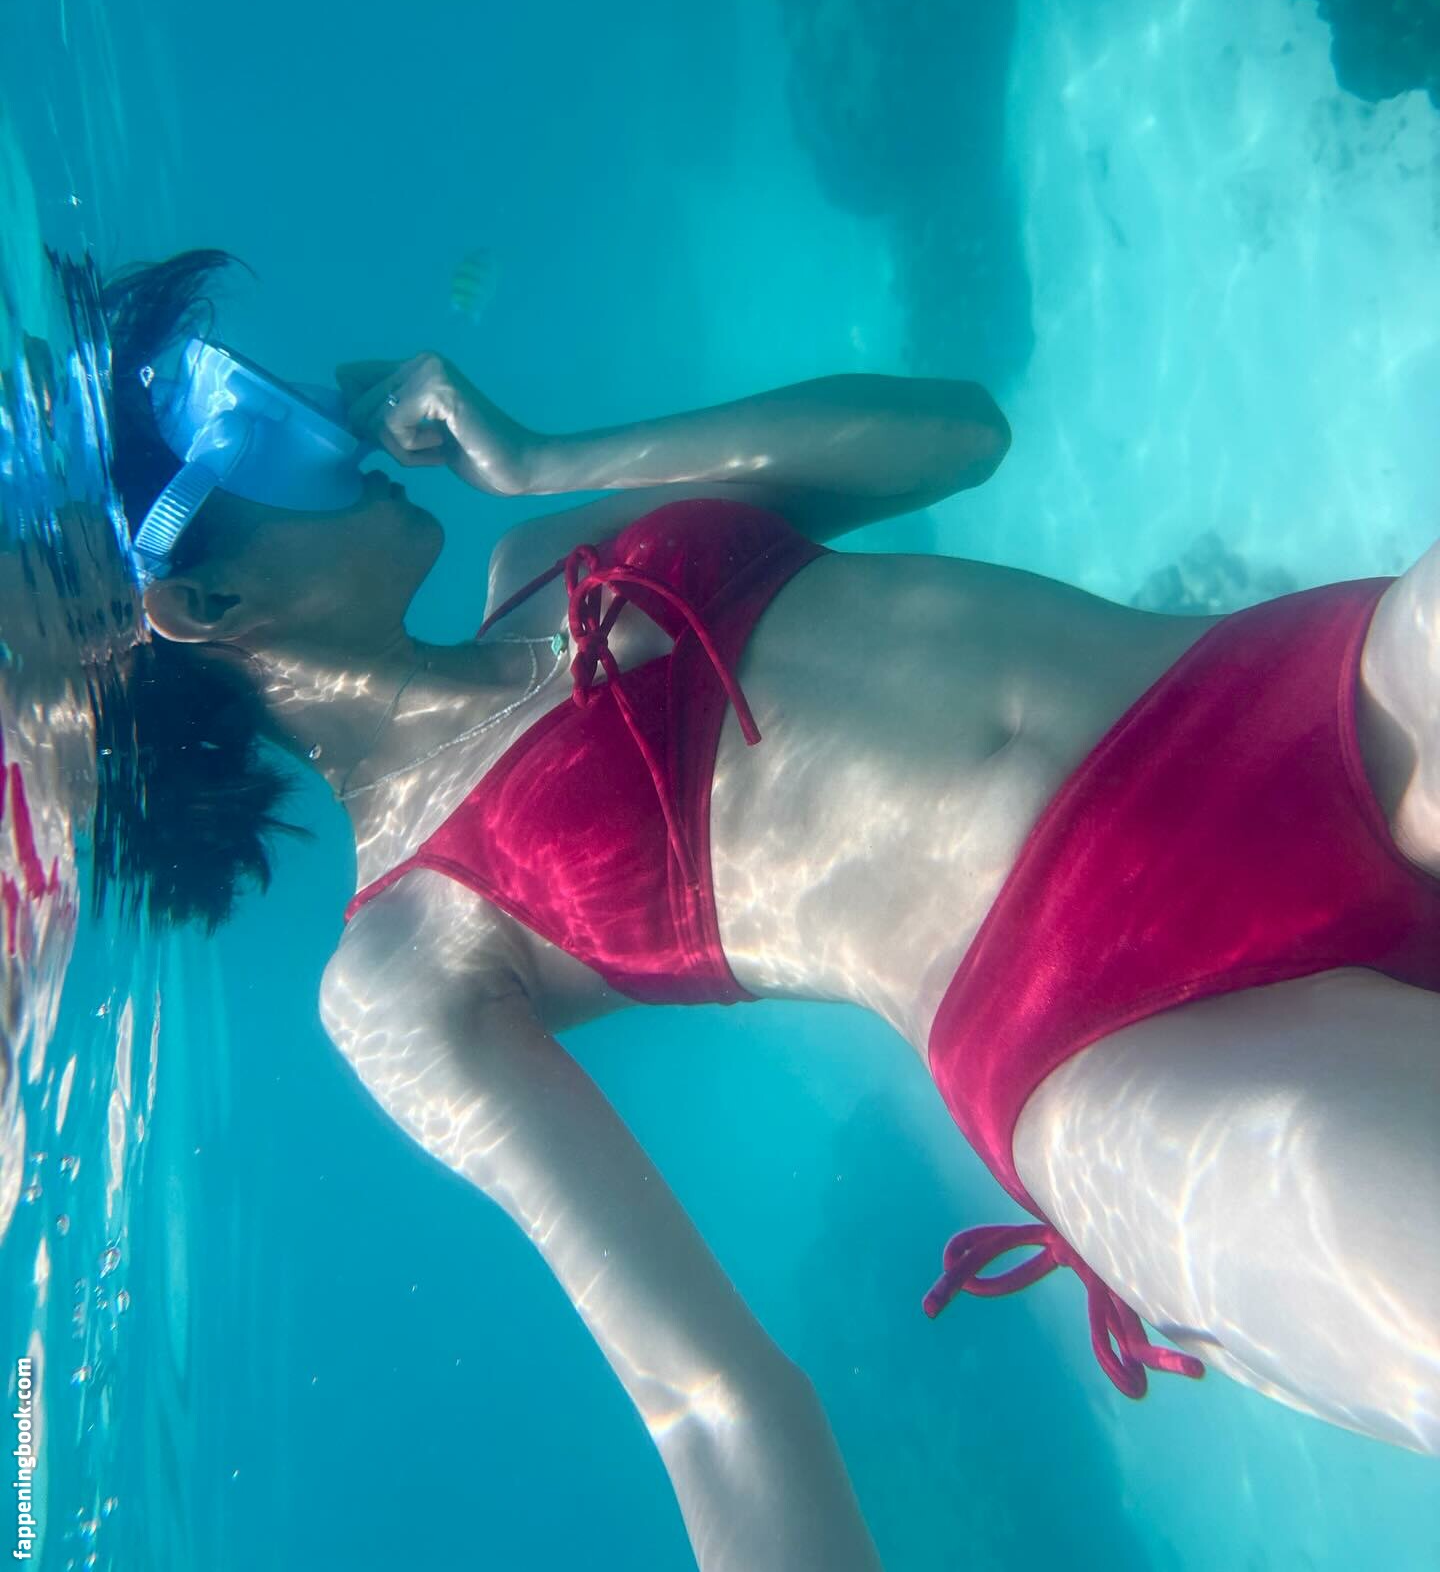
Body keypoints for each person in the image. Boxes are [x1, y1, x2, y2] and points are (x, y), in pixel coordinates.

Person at [102, 251, 1439, 1572]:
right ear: (203, 602)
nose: (332, 430)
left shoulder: (547, 546)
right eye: (260, 433)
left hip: (1274, 695)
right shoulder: (393, 958)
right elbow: (710, 1402)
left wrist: (548, 458)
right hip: (1099, 1035)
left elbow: (951, 434)